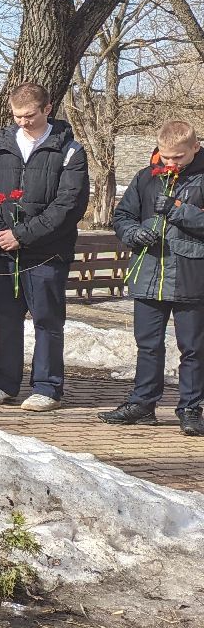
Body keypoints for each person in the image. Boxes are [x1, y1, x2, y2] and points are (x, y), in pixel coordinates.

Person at [0, 82, 91, 411]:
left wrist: (22, 235)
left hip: (46, 253)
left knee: (47, 320)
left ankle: (47, 387)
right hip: (1, 251)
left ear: (47, 109)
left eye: (29, 115)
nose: (22, 121)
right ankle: (3, 383)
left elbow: (68, 205)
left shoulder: (70, 151)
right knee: (6, 320)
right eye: (17, 116)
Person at [100, 122, 204, 436]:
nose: (171, 163)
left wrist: (179, 210)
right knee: (148, 345)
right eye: (166, 156)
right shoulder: (146, 177)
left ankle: (190, 408)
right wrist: (133, 233)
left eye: (178, 157)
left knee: (193, 348)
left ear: (195, 148)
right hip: (148, 272)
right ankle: (143, 403)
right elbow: (123, 216)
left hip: (191, 275)